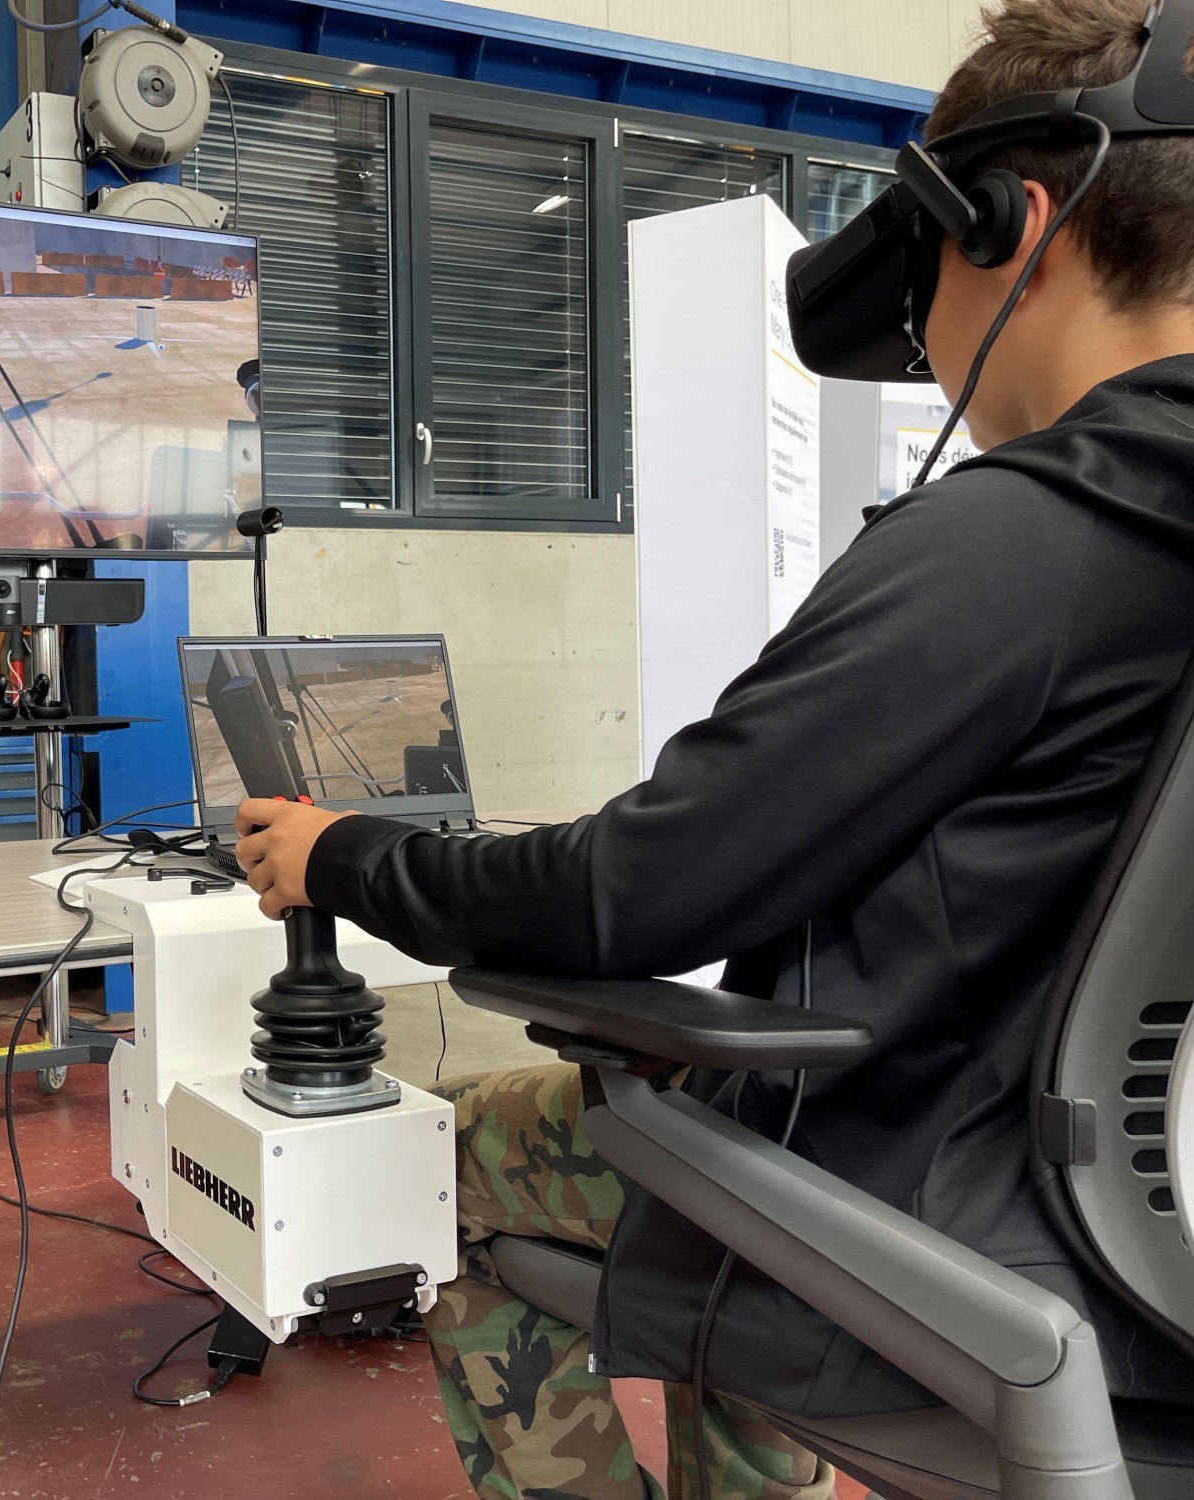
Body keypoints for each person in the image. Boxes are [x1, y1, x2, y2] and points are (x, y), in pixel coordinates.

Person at [233, 1, 1194, 1495]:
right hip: (1161, 1250)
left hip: (949, 1221)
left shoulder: (1019, 550)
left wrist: (348, 857)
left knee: (462, 1167)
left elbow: (640, 895)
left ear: (1018, 223)